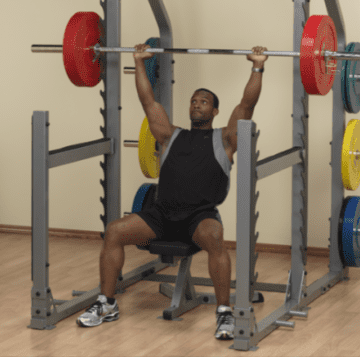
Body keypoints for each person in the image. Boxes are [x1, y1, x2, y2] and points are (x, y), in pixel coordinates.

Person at [77, 43, 268, 340]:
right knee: (114, 230)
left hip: (199, 217)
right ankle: (107, 303)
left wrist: (257, 66)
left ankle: (225, 313)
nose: (196, 105)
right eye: (193, 101)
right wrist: (139, 62)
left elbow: (246, 105)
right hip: (161, 215)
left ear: (215, 110)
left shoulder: (226, 140)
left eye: (204, 102)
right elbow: (147, 100)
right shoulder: (169, 135)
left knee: (215, 237)